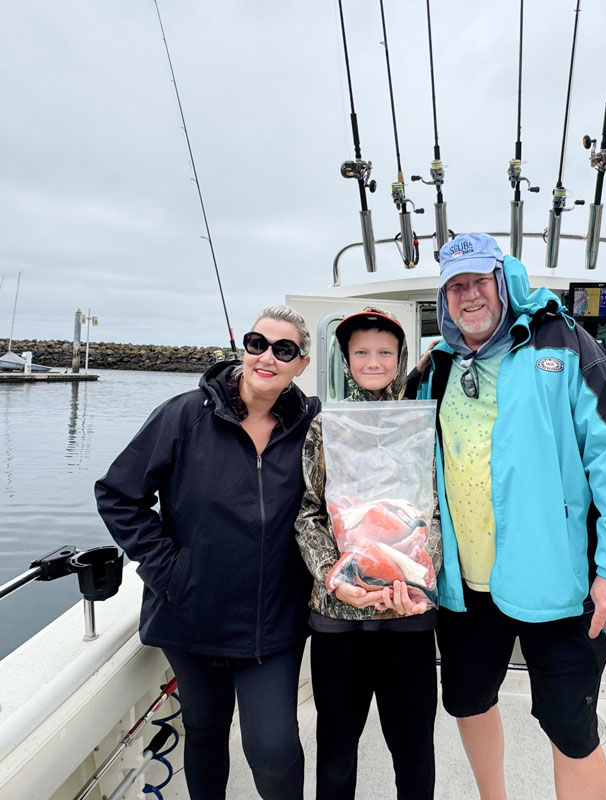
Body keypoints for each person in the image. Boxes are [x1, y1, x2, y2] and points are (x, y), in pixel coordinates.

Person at [409, 233, 606, 800]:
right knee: (469, 701)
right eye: (455, 286)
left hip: (560, 581)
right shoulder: (438, 367)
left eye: (480, 281)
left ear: (506, 283)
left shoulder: (566, 344)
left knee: (571, 728)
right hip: (466, 587)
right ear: (443, 298)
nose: (468, 295)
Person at [95, 305, 319, 800]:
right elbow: (118, 494)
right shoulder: (183, 415)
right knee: (204, 732)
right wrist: (170, 571)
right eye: (257, 343)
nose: (266, 357)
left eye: (283, 350)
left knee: (274, 748)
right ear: (244, 348)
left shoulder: (312, 428)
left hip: (275, 623)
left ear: (301, 364)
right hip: (191, 617)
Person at [295, 308, 442, 800]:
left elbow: (437, 513)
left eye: (385, 352)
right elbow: (309, 512)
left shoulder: (424, 421)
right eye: (361, 352)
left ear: (401, 358)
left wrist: (422, 577)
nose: (373, 362)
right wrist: (332, 578)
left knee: (414, 752)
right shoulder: (325, 424)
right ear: (345, 358)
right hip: (338, 615)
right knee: (335, 754)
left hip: (409, 613)